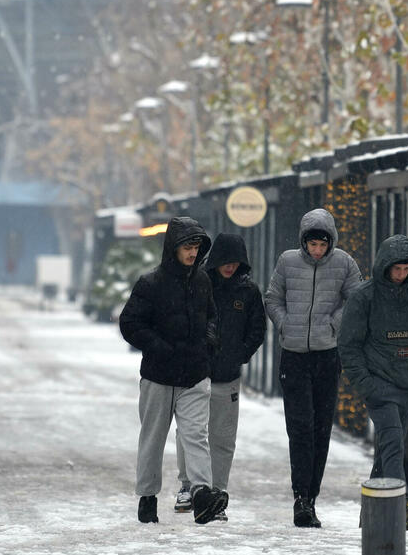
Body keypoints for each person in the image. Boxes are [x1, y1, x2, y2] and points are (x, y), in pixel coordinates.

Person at [119, 217, 228, 525]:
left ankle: (202, 494)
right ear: (174, 248)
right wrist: (158, 346)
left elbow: (212, 317)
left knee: (195, 435)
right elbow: (129, 323)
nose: (193, 253)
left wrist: (209, 340)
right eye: (187, 247)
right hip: (158, 375)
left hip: (194, 373)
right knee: (153, 438)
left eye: (197, 247)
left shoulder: (202, 282)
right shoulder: (151, 283)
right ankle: (148, 496)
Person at [264, 208, 362, 528]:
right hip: (293, 356)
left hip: (326, 356)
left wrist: (332, 325)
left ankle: (312, 497)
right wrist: (285, 324)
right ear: (303, 243)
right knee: (300, 427)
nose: (317, 250)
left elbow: (356, 301)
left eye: (322, 245)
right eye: (312, 245)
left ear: (330, 242)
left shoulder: (345, 263)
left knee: (321, 429)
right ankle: (300, 497)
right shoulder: (287, 261)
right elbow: (272, 298)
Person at [338, 235, 408, 532]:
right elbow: (349, 345)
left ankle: (370, 518)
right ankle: (400, 506)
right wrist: (367, 385)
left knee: (387, 451)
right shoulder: (364, 296)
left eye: (406, 269)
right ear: (384, 267)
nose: (401, 275)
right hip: (379, 386)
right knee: (393, 440)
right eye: (396, 269)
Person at [173, 233, 266, 521]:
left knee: (223, 437)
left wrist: (239, 354)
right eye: (226, 260)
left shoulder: (248, 292)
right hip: (196, 372)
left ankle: (217, 491)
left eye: (236, 261)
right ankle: (188, 485)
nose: (231, 266)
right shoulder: (199, 285)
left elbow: (257, 330)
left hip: (227, 376)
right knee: (191, 431)